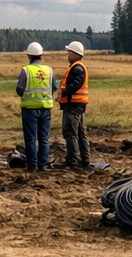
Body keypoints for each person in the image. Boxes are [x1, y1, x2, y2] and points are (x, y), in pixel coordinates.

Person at [14, 42, 56, 171]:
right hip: (46, 108)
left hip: (30, 109)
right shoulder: (49, 70)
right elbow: (54, 87)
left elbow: (19, 89)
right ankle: (43, 165)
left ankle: (32, 166)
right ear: (41, 55)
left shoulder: (25, 70)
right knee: (44, 138)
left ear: (29, 56)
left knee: (30, 138)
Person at [57, 40, 91, 168]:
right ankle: (84, 159)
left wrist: (65, 92)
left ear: (75, 53)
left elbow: (77, 84)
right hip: (78, 105)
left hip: (73, 105)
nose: (68, 55)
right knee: (80, 133)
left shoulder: (77, 67)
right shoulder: (78, 66)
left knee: (70, 132)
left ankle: (72, 160)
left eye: (69, 52)